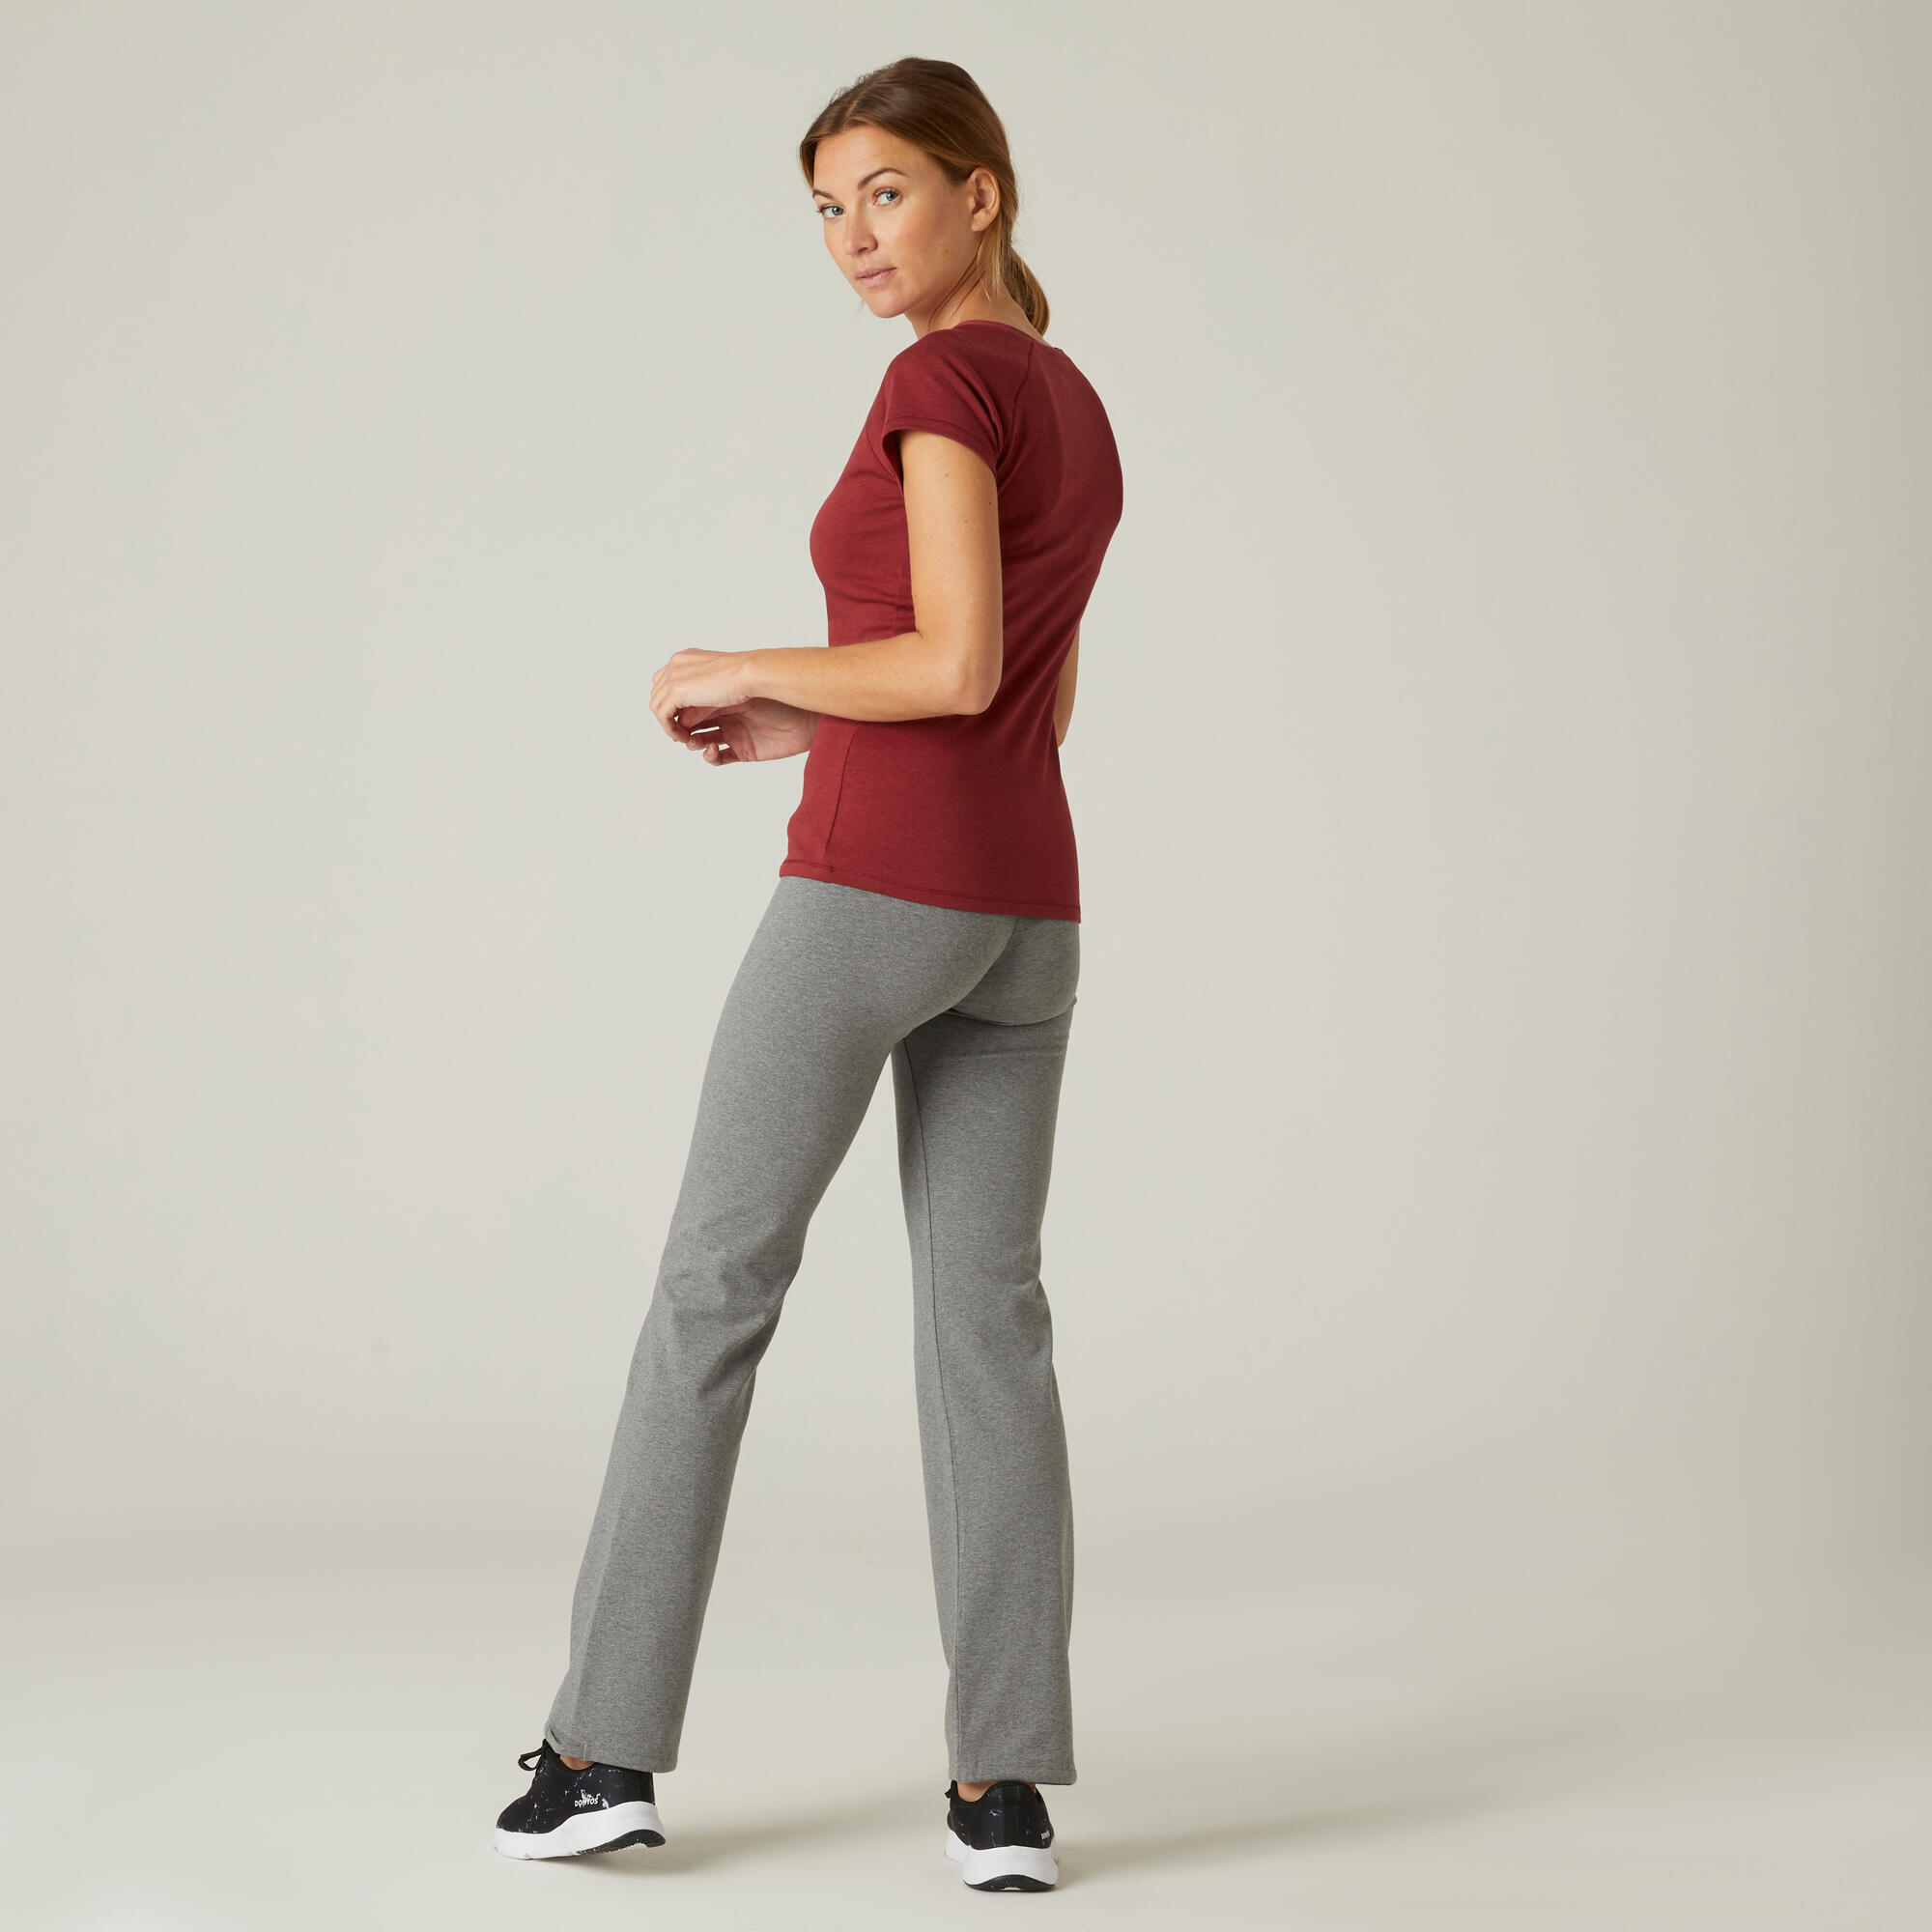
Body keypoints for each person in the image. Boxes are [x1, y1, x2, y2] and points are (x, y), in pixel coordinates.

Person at [492, 56, 1123, 1894]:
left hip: (871, 895)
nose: (854, 237)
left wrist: (740, 660)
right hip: (1026, 910)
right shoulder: (1073, 403)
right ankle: (1004, 1795)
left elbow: (951, 667)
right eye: (829, 210)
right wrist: (805, 721)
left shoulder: (939, 381)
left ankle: (600, 1751)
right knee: (988, 1326)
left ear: (982, 193)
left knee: (714, 1287)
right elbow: (1028, 704)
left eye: (887, 194)